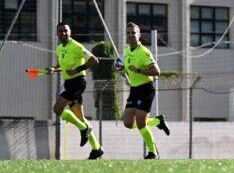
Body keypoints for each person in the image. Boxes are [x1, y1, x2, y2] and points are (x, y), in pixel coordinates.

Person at [48, 21, 103, 159]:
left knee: (57, 109)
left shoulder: (76, 46)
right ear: (57, 33)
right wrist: (54, 69)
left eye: (65, 30)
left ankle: (84, 129)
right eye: (60, 31)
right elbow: (62, 65)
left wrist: (78, 69)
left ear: (70, 32)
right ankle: (97, 149)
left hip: (78, 83)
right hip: (69, 83)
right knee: (80, 118)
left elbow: (94, 61)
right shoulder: (60, 48)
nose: (63, 33)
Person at [116, 22, 170, 159]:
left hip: (146, 89)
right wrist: (121, 69)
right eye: (128, 33)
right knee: (128, 123)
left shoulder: (144, 52)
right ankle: (158, 122)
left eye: (133, 32)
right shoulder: (127, 52)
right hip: (134, 90)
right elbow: (127, 67)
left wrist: (139, 70)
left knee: (141, 123)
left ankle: (153, 152)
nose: (131, 35)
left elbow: (157, 71)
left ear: (139, 35)